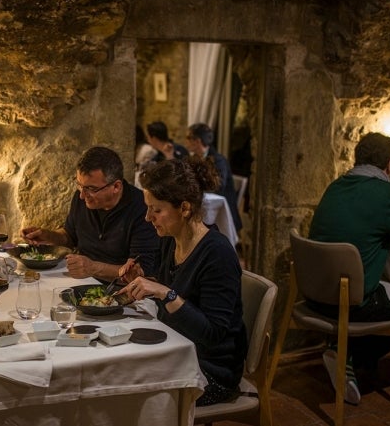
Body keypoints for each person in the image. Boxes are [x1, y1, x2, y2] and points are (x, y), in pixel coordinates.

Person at [308, 132, 390, 405]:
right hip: (353, 304)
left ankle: (349, 358)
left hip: (315, 295)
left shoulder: (335, 186)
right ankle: (351, 355)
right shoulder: (385, 193)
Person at [116, 158, 247, 406]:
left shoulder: (217, 254)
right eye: (147, 208)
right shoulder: (170, 239)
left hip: (210, 371)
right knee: (115, 370)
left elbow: (212, 334)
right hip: (176, 350)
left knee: (127, 392)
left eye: (156, 210)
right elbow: (177, 289)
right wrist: (144, 281)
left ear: (185, 208)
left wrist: (165, 293)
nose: (147, 218)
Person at [21, 146, 160, 281]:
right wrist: (47, 235)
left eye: (91, 188)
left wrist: (93, 268)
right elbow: (70, 237)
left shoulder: (142, 208)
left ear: (116, 186)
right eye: (80, 185)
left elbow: (138, 273)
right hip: (83, 281)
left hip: (119, 291)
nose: (82, 195)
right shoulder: (83, 198)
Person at [186, 122, 243, 230]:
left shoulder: (218, 160)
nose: (186, 141)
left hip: (219, 213)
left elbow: (218, 187)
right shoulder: (194, 158)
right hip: (205, 205)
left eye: (188, 138)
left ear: (197, 141)